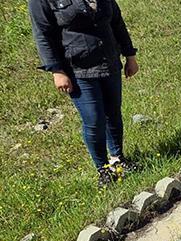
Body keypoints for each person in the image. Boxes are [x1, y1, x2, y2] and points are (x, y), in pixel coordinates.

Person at [28, 0, 140, 187]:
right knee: (94, 119)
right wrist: (57, 70)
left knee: (113, 113)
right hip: (77, 69)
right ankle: (103, 168)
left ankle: (118, 159)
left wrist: (130, 55)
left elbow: (116, 21)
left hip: (109, 61)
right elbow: (42, 34)